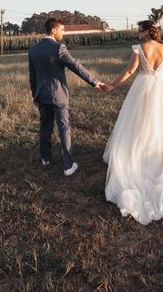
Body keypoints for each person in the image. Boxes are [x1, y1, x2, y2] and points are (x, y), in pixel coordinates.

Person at [103, 20, 163, 224]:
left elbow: (129, 71)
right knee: (161, 124)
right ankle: (157, 151)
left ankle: (140, 154)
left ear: (145, 32)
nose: (137, 33)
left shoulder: (139, 49)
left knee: (138, 124)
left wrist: (111, 86)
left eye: (139, 30)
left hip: (142, 86)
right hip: (162, 87)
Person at [28, 18, 107, 176]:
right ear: (53, 31)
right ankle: (68, 165)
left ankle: (45, 158)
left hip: (42, 95)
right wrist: (95, 83)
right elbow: (76, 66)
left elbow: (32, 75)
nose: (63, 33)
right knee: (64, 128)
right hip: (59, 96)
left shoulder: (33, 49)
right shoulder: (58, 48)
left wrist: (34, 94)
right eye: (62, 30)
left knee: (45, 126)